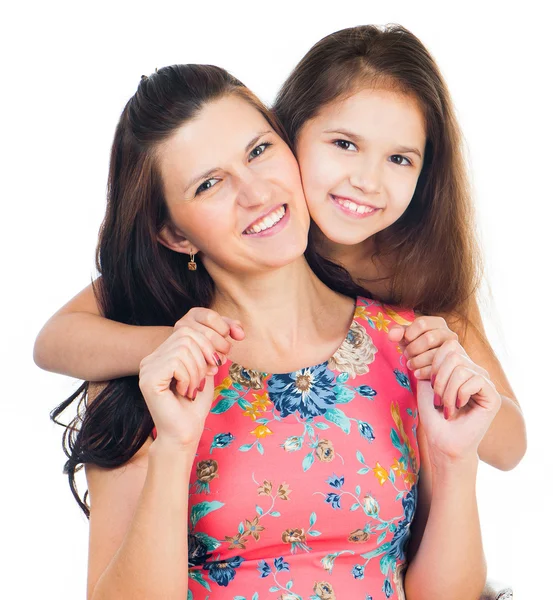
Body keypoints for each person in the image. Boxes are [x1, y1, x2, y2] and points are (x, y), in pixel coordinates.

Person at [46, 64, 499, 599]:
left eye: (259, 151)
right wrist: (174, 447)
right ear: (173, 232)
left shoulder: (406, 345)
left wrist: (455, 462)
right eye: (210, 184)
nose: (256, 193)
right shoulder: (149, 380)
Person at [34, 25, 525, 472]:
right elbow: (54, 339)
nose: (367, 181)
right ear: (289, 134)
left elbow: (509, 446)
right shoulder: (235, 243)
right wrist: (180, 342)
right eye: (345, 145)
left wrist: (455, 373)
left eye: (399, 158)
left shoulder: (414, 267)